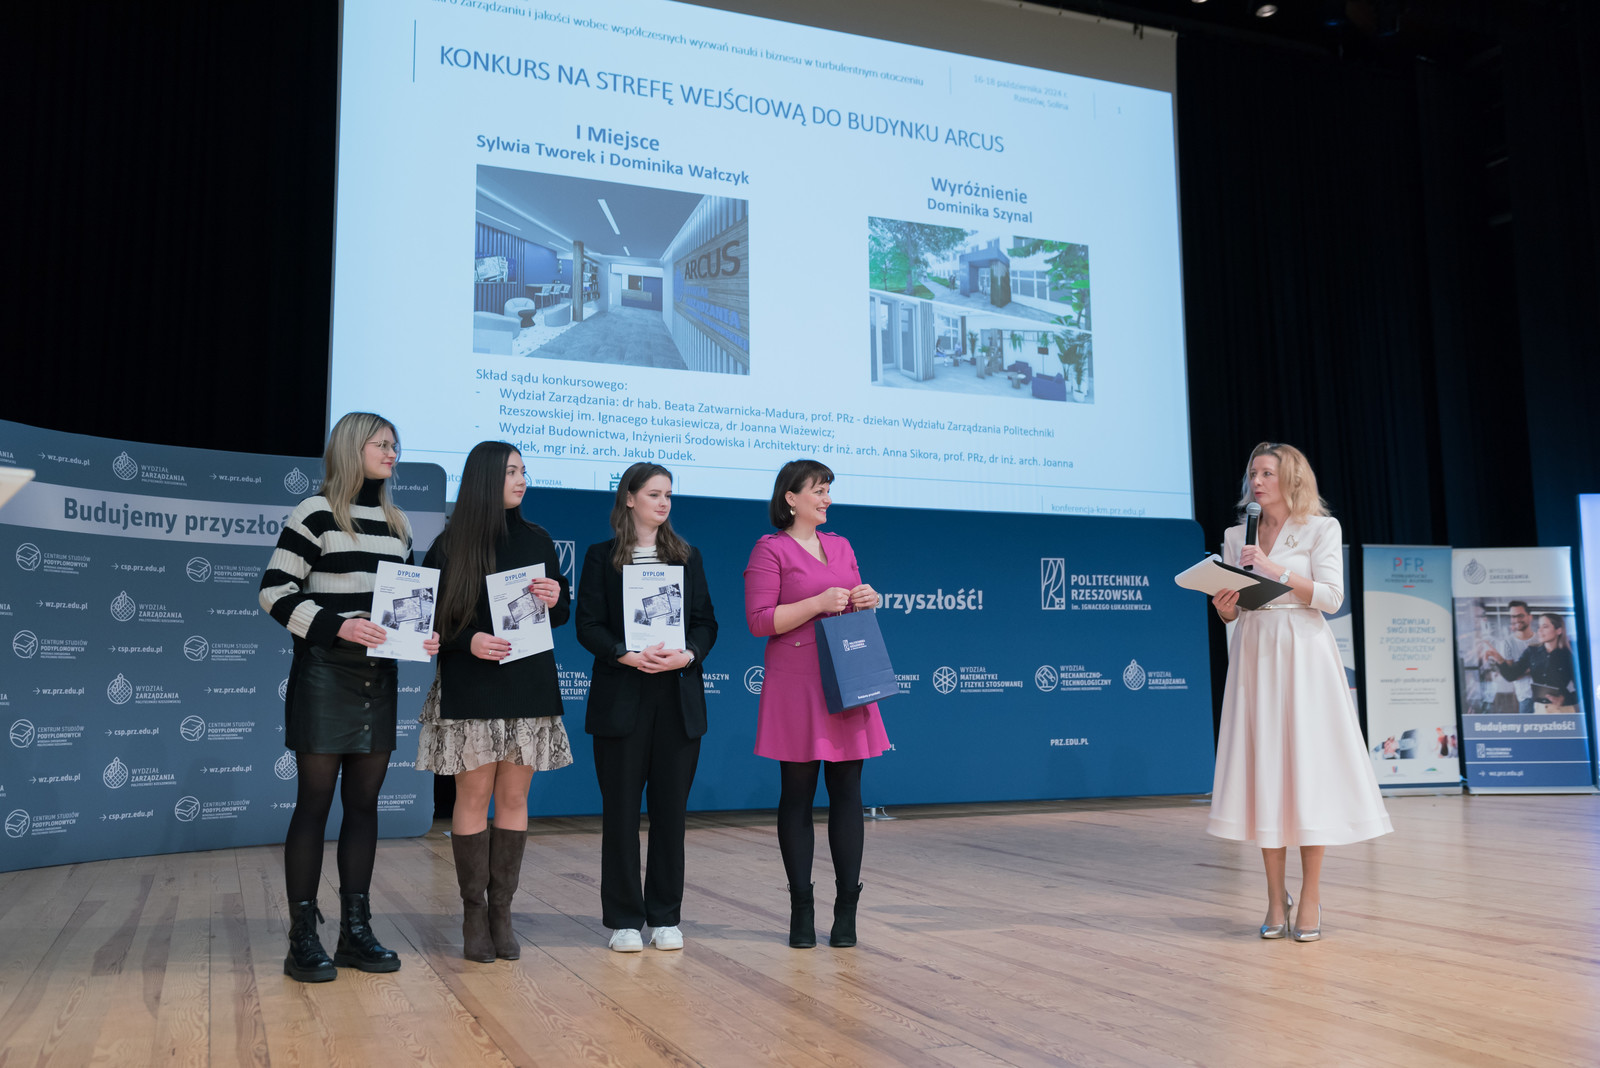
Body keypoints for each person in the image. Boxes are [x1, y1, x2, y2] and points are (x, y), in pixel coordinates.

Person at [259, 412, 439, 982]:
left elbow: (405, 602)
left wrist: (420, 634)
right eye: (381, 444)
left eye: (395, 445)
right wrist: (337, 625)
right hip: (324, 673)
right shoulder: (313, 514)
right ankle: (302, 938)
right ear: (350, 448)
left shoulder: (398, 523)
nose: (392, 453)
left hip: (378, 676)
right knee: (314, 804)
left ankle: (354, 934)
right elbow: (274, 591)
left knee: (364, 805)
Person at [1207, 442, 1391, 943]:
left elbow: (1331, 598)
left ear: (1291, 478)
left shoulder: (1320, 528)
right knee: (1265, 771)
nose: (1257, 482)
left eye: (1267, 473)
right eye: (1253, 473)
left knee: (1306, 773)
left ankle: (1310, 896)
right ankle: (1274, 897)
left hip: (1304, 652)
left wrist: (1274, 568)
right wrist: (1224, 607)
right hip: (1254, 651)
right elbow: (1235, 610)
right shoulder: (1235, 535)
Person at [416, 441, 572, 962]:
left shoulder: (538, 539)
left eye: (524, 471)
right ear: (485, 478)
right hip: (472, 685)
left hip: (528, 683)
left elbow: (559, 614)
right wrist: (470, 642)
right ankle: (472, 913)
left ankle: (502, 911)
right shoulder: (449, 545)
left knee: (514, 798)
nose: (522, 479)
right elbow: (429, 620)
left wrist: (557, 598)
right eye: (511, 472)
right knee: (472, 797)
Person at [744, 460, 890, 949]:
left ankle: (846, 909)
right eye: (819, 490)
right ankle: (801, 910)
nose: (827, 498)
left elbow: (852, 604)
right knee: (798, 792)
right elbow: (759, 620)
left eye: (829, 490)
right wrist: (816, 603)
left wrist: (867, 598)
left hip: (845, 677)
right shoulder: (770, 549)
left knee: (848, 790)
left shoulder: (842, 546)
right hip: (797, 682)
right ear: (791, 498)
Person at [575, 462, 717, 952]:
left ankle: (665, 917)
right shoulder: (601, 557)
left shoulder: (687, 556)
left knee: (670, 816)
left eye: (668, 495)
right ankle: (623, 920)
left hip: (676, 698)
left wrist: (688, 654)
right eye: (654, 494)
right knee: (620, 816)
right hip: (622, 697)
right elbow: (588, 625)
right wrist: (625, 654)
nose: (663, 503)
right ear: (630, 498)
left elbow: (705, 623)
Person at [1483, 612, 1580, 711]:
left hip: (1563, 709)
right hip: (1540, 709)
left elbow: (1583, 689)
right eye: (1539, 627)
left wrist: (1563, 699)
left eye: (1545, 627)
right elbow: (1511, 675)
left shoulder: (1569, 655)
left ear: (1558, 630)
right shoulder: (1531, 652)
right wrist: (1499, 659)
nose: (1539, 631)